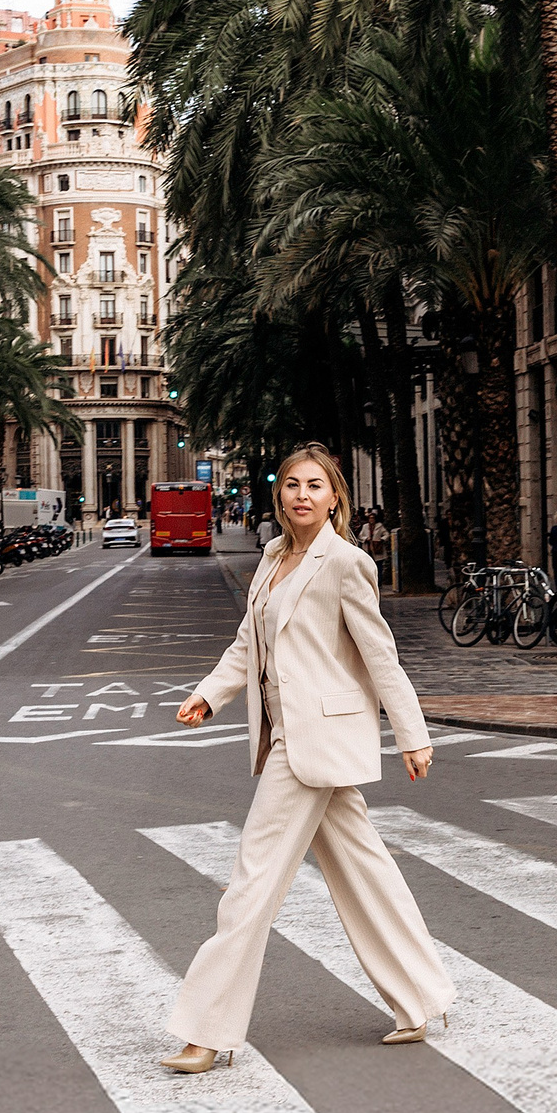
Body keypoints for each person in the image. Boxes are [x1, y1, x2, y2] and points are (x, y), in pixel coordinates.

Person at [161, 443, 453, 1074]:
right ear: (280, 495)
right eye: (292, 484)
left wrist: (413, 733)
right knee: (367, 871)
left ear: (334, 497)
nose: (301, 495)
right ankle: (423, 1000)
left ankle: (206, 1031)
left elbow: (381, 655)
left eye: (315, 485)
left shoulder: (346, 563)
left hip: (312, 741)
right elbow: (249, 644)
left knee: (251, 883)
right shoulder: (272, 557)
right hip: (288, 737)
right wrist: (209, 694)